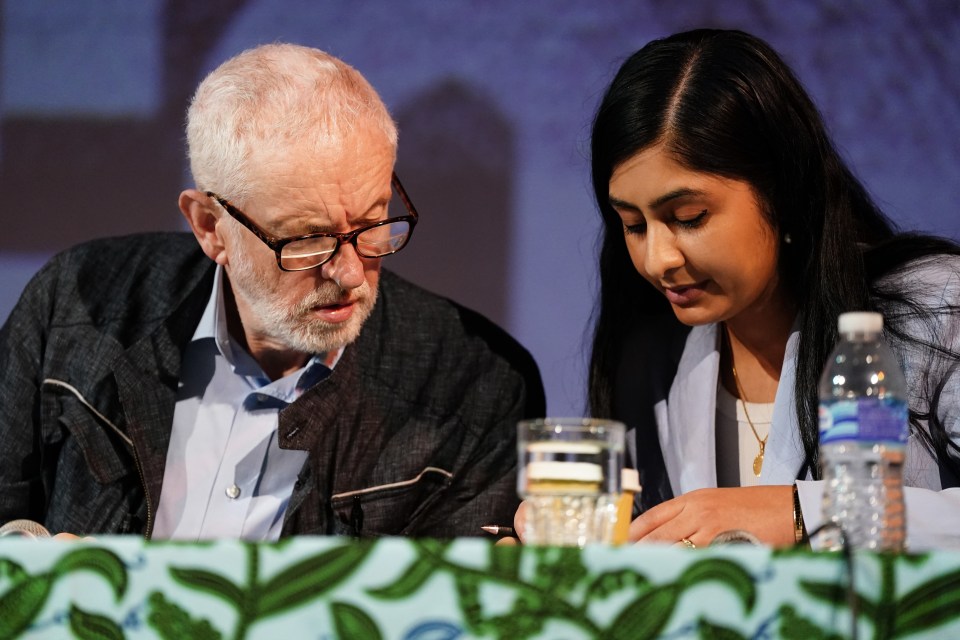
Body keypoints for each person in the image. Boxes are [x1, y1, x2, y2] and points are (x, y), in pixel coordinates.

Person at [0, 43, 544, 540]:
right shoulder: (75, 304)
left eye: (374, 222)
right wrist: (36, 574)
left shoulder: (474, 384)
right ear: (212, 227)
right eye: (308, 239)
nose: (350, 272)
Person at [585, 28, 960, 549]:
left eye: (689, 217)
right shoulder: (651, 357)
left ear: (784, 192)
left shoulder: (934, 305)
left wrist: (803, 511)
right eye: (633, 225)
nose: (657, 259)